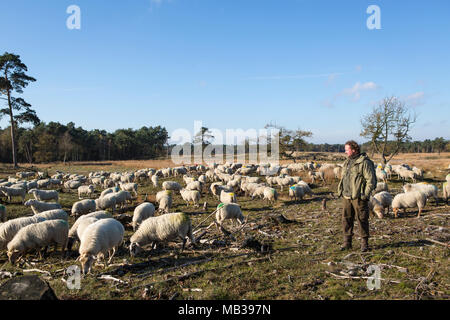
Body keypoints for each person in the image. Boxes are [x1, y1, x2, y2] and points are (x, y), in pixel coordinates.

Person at [337, 140, 377, 252]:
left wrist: (365, 195)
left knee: (362, 219)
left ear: (354, 150)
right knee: (346, 219)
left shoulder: (364, 162)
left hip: (359, 196)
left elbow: (371, 180)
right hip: (347, 196)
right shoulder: (347, 162)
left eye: (347, 150)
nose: (345, 152)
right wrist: (341, 190)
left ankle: (364, 243)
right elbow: (344, 177)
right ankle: (347, 242)